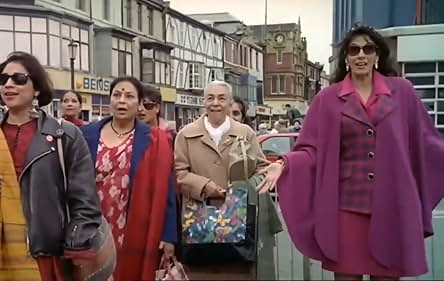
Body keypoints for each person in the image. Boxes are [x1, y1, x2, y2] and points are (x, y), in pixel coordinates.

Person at [259, 25, 444, 280]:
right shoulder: (327, 99)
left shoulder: (403, 93)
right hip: (346, 208)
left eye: (368, 49)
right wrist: (283, 164)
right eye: (353, 49)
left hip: (392, 205)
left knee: (387, 275)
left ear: (377, 54)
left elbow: (426, 142)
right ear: (345, 57)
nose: (361, 55)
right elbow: (311, 149)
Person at [0, 52, 104, 281]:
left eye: (19, 79)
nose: (9, 85)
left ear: (36, 88)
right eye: (3, 79)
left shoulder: (65, 135)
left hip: (44, 254)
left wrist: (76, 243)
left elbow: (84, 199)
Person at [174, 81, 282, 280]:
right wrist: (206, 187)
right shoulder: (185, 135)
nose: (215, 103)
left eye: (221, 98)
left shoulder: (245, 133)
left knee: (236, 273)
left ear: (230, 103)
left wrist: (242, 188)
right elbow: (179, 174)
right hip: (199, 225)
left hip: (239, 225)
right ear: (203, 102)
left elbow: (261, 169)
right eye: (210, 98)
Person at [81, 76, 177, 281]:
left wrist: (169, 236)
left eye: (129, 96)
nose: (122, 100)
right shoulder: (86, 135)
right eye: (117, 95)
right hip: (92, 224)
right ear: (110, 101)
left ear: (139, 103)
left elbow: (166, 190)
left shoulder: (155, 140)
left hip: (134, 226)